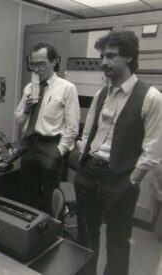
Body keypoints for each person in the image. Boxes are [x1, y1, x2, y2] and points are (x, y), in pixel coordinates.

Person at [73, 30, 162, 275]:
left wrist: (131, 181)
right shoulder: (102, 93)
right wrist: (84, 159)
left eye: (110, 56)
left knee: (118, 241)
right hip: (90, 172)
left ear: (129, 57)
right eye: (102, 56)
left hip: (120, 179)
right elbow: (89, 129)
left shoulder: (151, 97)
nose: (103, 62)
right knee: (86, 235)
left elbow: (153, 150)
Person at [14, 42, 80, 214]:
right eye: (33, 64)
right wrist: (27, 110)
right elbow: (19, 120)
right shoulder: (30, 87)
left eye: (41, 64)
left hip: (51, 146)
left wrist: (59, 152)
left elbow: (72, 128)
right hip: (29, 145)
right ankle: (27, 231)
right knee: (26, 195)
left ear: (54, 62)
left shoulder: (67, 88)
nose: (36, 69)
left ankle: (51, 234)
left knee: (51, 199)